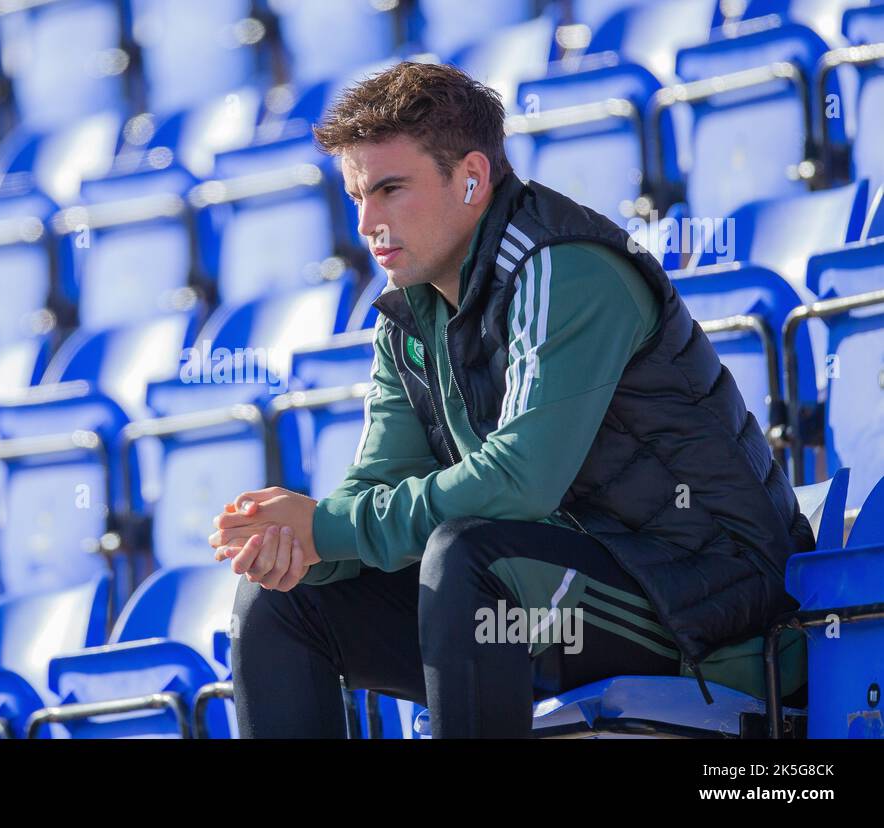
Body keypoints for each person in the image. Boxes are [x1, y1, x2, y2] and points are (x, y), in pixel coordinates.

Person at [208, 61, 815, 738]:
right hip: (558, 593)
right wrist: (303, 543)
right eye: (356, 197)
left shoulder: (567, 267)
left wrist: (327, 529)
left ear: (471, 177)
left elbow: (519, 480)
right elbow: (381, 481)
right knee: (283, 599)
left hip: (712, 609)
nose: (368, 224)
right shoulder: (409, 317)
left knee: (471, 558)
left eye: (390, 190)